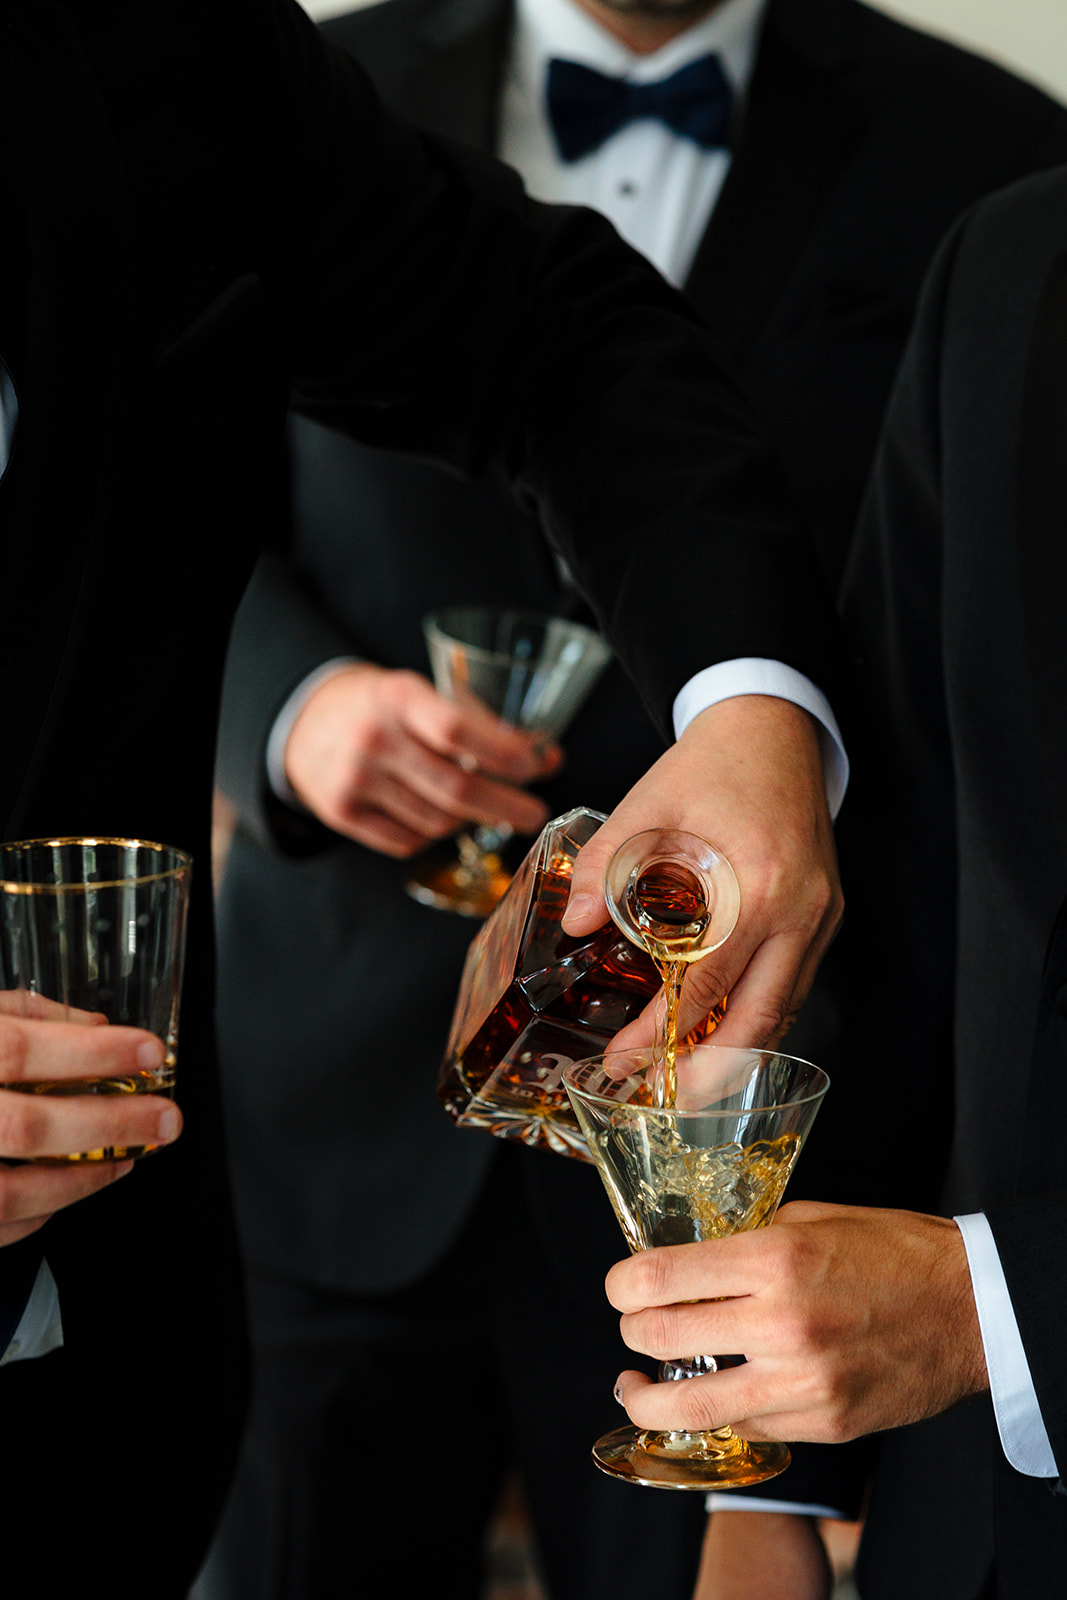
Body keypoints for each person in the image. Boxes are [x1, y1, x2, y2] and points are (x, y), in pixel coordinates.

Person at [204, 0, 1067, 1594]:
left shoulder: (998, 163)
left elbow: (969, 790)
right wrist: (297, 712)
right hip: (332, 1093)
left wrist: (794, 1485)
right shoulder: (307, 88)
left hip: (732, 1144)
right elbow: (173, 480)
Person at [0, 1, 847, 1594]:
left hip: (96, 1402)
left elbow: (561, 333)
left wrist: (754, 716)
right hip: (329, 1148)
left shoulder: (145, 48)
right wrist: (304, 710)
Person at [603, 163, 1067, 1598]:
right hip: (967, 1524)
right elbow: (910, 903)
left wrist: (1000, 1313)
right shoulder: (1011, 259)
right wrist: (777, 1496)